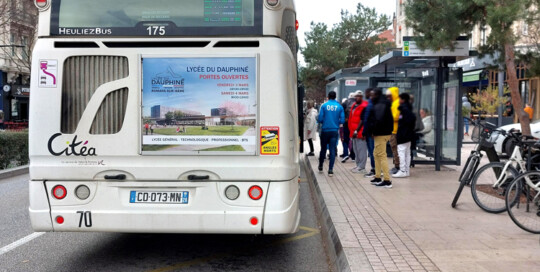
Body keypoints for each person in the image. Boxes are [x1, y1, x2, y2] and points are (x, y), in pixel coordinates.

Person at [366, 88, 394, 188]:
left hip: (381, 133)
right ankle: (377, 176)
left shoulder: (380, 105)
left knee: (381, 155)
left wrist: (373, 131)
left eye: (372, 95)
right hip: (383, 133)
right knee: (376, 154)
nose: (371, 97)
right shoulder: (382, 103)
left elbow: (378, 120)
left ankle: (387, 180)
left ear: (377, 95)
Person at [318, 91, 345, 177]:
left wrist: (324, 122)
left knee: (323, 149)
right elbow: (342, 120)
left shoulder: (324, 106)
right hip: (334, 131)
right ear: (335, 97)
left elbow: (320, 119)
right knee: (332, 150)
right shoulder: (339, 107)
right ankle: (330, 170)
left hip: (325, 130)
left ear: (328, 97)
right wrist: (336, 122)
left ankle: (321, 165)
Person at [393, 93, 416, 178]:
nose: (399, 100)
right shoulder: (409, 109)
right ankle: (406, 170)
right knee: (407, 153)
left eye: (400, 99)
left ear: (403, 100)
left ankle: (402, 170)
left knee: (401, 152)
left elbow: (403, 123)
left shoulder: (404, 110)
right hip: (409, 135)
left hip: (403, 134)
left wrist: (402, 131)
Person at [349, 91, 369, 173]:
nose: (356, 98)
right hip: (353, 131)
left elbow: (363, 120)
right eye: (355, 96)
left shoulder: (364, 106)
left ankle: (362, 167)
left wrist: (359, 131)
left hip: (360, 132)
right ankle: (358, 165)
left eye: (358, 96)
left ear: (361, 97)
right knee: (356, 149)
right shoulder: (354, 105)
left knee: (362, 150)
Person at [362, 88, 376, 178]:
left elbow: (366, 120)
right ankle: (377, 169)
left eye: (366, 93)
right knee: (377, 152)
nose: (365, 94)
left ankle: (374, 169)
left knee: (372, 151)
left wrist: (364, 132)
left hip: (371, 132)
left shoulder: (370, 105)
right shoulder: (377, 104)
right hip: (377, 132)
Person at [388, 87, 401, 174]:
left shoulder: (396, 103)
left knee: (395, 148)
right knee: (394, 148)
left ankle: (397, 166)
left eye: (390, 94)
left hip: (395, 130)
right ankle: (396, 165)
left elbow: (396, 116)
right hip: (393, 129)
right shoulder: (394, 103)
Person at [341, 93, 357, 162]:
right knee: (354, 140)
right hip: (355, 124)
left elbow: (341, 113)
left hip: (346, 123)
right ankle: (353, 156)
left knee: (345, 139)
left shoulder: (345, 103)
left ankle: (345, 154)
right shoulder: (357, 103)